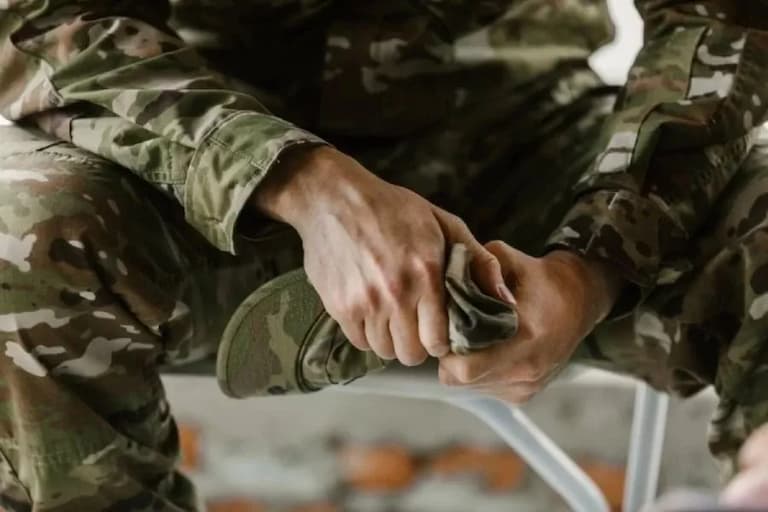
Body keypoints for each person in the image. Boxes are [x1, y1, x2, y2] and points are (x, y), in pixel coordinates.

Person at [0, 0, 766, 509]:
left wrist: (592, 267)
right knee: (22, 236)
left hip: (527, 145)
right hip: (211, 155)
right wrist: (302, 182)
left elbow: (717, 22)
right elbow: (49, 22)